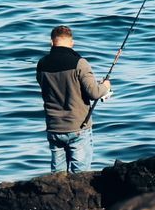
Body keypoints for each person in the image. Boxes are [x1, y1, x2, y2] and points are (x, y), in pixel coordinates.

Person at [36, 25, 112, 173]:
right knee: (80, 178)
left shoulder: (42, 64)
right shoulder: (80, 63)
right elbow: (94, 93)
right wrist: (106, 86)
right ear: (72, 43)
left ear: (51, 43)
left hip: (54, 127)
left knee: (57, 179)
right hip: (78, 127)